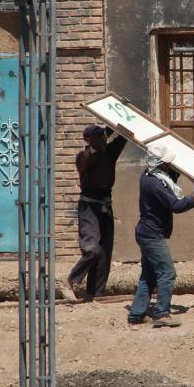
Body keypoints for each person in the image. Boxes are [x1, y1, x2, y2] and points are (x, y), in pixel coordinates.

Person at [128, 144, 194, 328]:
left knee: (149, 274)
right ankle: (162, 313)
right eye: (166, 163)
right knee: (167, 272)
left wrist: (176, 170)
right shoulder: (155, 183)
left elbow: (169, 180)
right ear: (159, 164)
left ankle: (137, 314)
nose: (169, 166)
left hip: (146, 232)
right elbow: (176, 206)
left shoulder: (150, 175)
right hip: (152, 234)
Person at [65, 124, 127, 300]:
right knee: (93, 249)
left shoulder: (109, 153)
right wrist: (104, 137)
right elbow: (90, 158)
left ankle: (95, 294)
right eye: (97, 137)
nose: (102, 140)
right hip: (89, 206)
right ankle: (70, 281)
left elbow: (124, 137)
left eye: (103, 137)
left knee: (105, 252)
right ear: (88, 140)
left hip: (105, 205)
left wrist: (117, 124)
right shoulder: (82, 157)